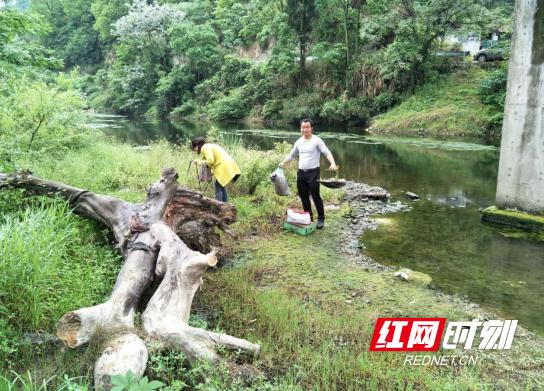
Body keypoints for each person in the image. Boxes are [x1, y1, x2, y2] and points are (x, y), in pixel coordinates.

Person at [279, 118, 338, 229]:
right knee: (304, 197)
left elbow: (326, 152)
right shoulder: (299, 141)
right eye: (303, 127)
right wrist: (283, 162)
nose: (305, 129)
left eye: (307, 127)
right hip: (301, 173)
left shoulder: (317, 140)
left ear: (311, 128)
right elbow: (292, 155)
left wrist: (333, 163)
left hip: (313, 173)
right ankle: (308, 218)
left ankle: (321, 219)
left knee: (316, 196)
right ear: (300, 128)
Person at [191, 137, 241, 202]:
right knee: (221, 186)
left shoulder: (205, 148)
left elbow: (210, 161)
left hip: (223, 166)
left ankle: (219, 205)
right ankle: (225, 205)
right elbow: (213, 161)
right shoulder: (208, 146)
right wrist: (211, 172)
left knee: (218, 187)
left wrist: (198, 162)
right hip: (226, 165)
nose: (194, 150)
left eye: (194, 148)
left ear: (197, 146)